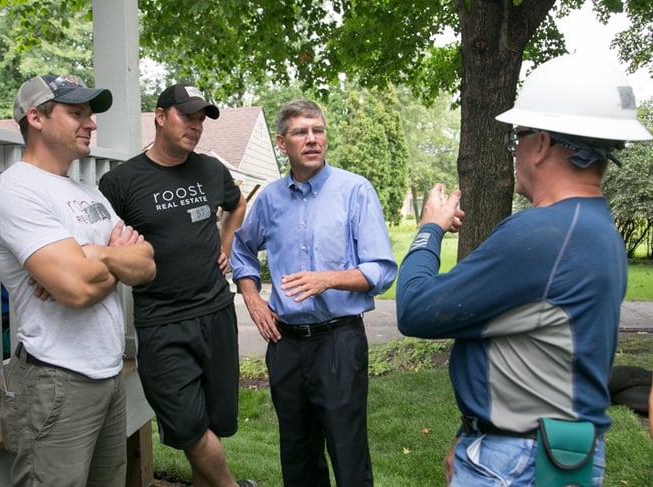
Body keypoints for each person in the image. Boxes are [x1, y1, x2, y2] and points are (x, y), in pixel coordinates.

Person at [394, 54, 653, 486]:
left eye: (518, 137)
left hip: (520, 461)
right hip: (548, 450)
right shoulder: (592, 227)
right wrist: (476, 435)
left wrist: (428, 231)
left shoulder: (545, 232)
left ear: (543, 144)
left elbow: (416, 309)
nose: (514, 151)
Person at [0, 74, 156, 485]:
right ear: (36, 118)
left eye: (90, 114)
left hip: (107, 375)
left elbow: (147, 265)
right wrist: (113, 259)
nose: (91, 124)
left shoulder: (90, 195)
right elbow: (76, 290)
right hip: (55, 379)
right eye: (76, 112)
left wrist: (92, 256)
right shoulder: (15, 191)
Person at [230, 99, 397, 487]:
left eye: (318, 131)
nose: (312, 139)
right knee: (297, 452)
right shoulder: (270, 200)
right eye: (300, 132)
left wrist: (328, 279)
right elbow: (241, 250)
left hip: (338, 340)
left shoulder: (354, 190)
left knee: (347, 449)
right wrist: (253, 299)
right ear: (281, 142)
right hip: (285, 344)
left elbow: (382, 269)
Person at [98, 83, 254, 487]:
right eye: (187, 116)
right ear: (160, 115)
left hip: (216, 312)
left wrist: (226, 241)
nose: (196, 126)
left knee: (212, 424)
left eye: (201, 119)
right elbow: (94, 235)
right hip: (162, 321)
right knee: (186, 424)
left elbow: (236, 203)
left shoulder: (210, 170)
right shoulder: (121, 181)